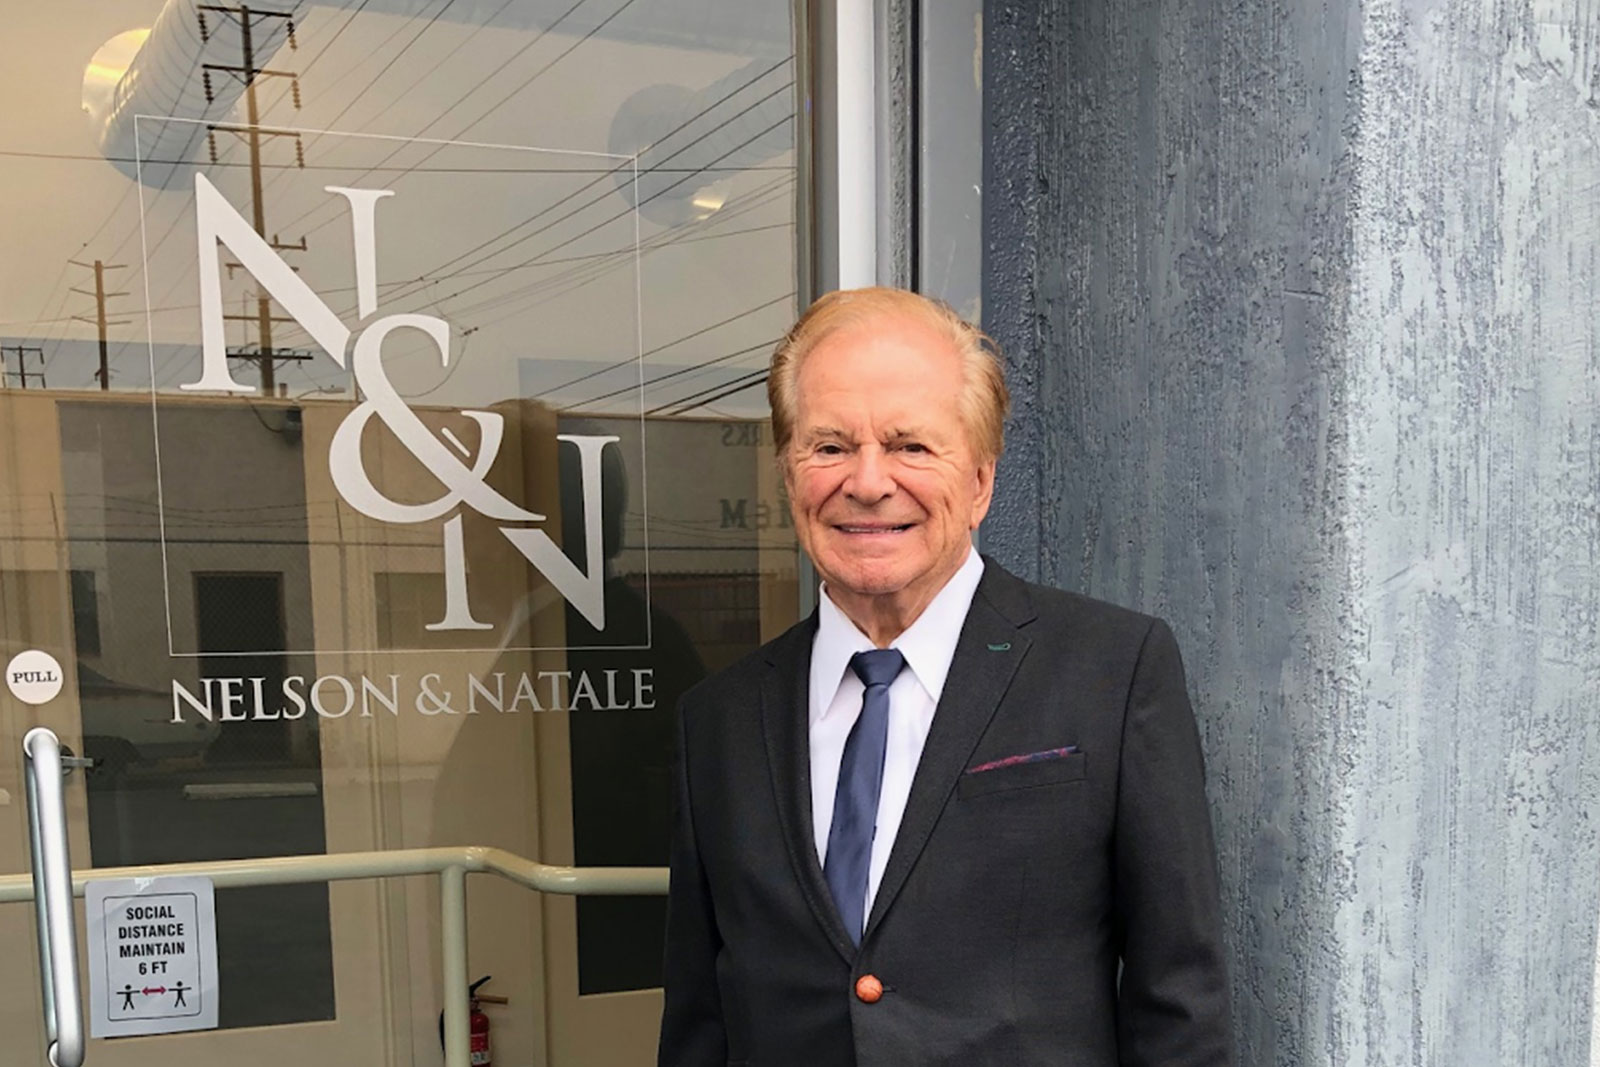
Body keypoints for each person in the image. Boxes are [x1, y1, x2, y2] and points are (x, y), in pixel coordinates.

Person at [658, 287, 1231, 1066]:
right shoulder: (718, 720)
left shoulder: (1112, 671)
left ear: (981, 483)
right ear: (789, 476)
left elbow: (1179, 1001)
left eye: (910, 446)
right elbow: (700, 1021)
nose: (866, 481)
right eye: (829, 446)